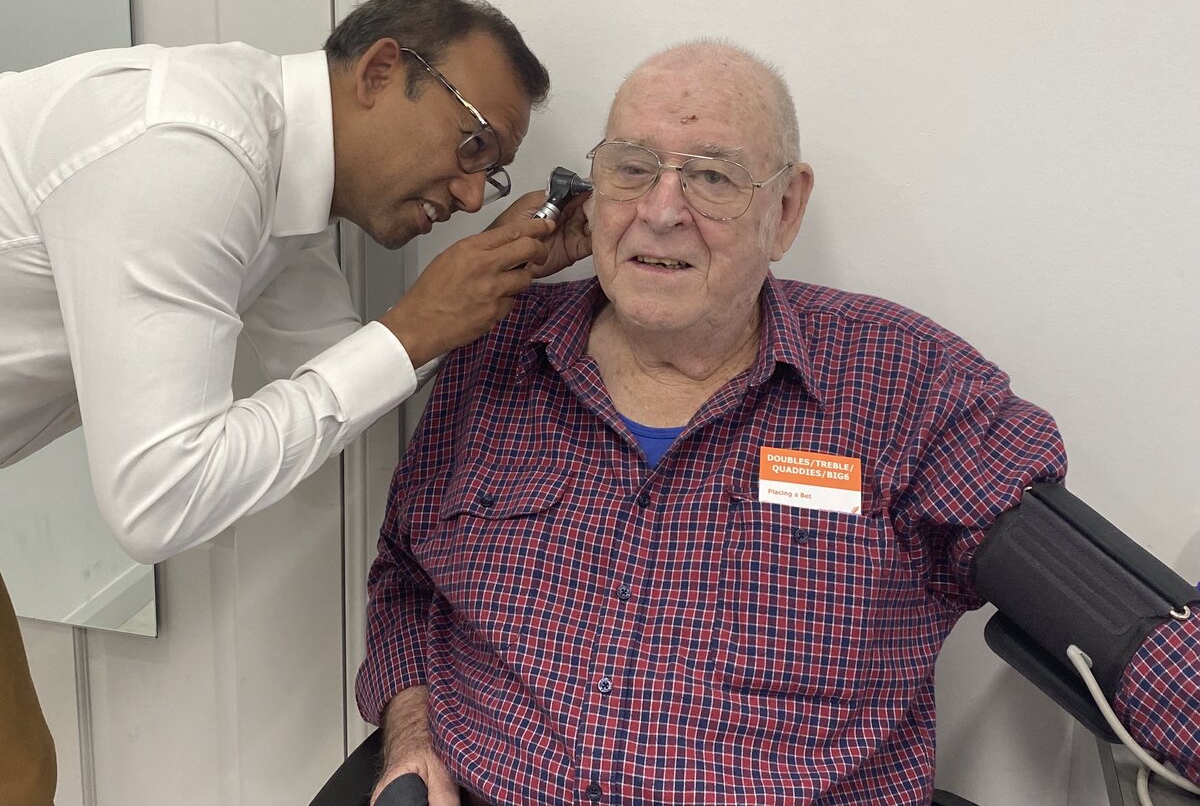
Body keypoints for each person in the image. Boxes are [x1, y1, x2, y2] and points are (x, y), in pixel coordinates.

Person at [355, 39, 1200, 804]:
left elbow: (1111, 622)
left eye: (714, 177)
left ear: (785, 211)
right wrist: (412, 735)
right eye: (632, 168)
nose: (660, 210)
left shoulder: (903, 384)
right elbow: (408, 576)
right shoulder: (492, 357)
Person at [0, 0, 588, 806]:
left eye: (489, 176)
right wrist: (415, 327)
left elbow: (340, 368)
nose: (465, 196)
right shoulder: (190, 155)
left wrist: (490, 272)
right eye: (471, 146)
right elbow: (158, 502)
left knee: (18, 774)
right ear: (381, 70)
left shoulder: (281, 184)